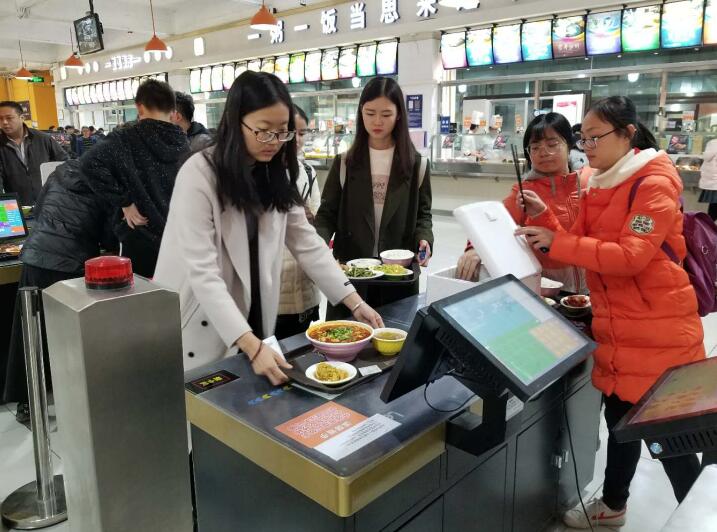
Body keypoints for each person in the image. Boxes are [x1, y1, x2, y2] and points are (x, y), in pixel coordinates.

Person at [516, 96, 705, 529]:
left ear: (627, 134)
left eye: (594, 137)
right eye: (584, 138)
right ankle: (614, 505)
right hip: (619, 328)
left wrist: (559, 242)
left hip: (658, 330)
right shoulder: (596, 180)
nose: (587, 146)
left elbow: (630, 257)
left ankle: (698, 519)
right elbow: (582, 244)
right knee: (620, 423)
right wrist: (550, 223)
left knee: (668, 439)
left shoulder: (654, 183)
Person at [153, 71, 383, 384]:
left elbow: (307, 243)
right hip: (202, 317)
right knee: (206, 413)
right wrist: (250, 344)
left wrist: (354, 302)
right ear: (236, 123)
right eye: (263, 132)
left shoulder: (278, 173)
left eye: (283, 133)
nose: (274, 143)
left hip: (256, 313)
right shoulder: (200, 174)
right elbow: (203, 272)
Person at [3, 160, 116, 422]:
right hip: (72, 264)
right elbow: (110, 234)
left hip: (35, 257)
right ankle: (74, 396)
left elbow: (41, 210)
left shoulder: (60, 172)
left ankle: (26, 401)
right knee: (70, 334)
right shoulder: (109, 182)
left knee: (29, 333)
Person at [314, 77, 433, 316]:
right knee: (346, 340)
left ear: (399, 115)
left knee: (393, 339)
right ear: (360, 113)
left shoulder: (416, 164)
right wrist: (318, 246)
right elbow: (327, 214)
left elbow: (423, 214)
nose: (377, 121)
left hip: (397, 275)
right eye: (370, 113)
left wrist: (425, 239)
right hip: (350, 274)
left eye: (386, 114)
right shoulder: (345, 162)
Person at [456, 113, 587, 294]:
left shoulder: (587, 183)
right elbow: (492, 222)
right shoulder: (524, 192)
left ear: (569, 144)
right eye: (535, 147)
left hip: (592, 287)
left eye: (552, 144)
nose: (543, 152)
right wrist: (474, 249)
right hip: (545, 288)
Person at [81, 80, 189, 277]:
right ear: (173, 110)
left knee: (140, 301)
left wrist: (125, 201)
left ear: (139, 107)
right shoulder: (183, 142)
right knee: (175, 300)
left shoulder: (125, 138)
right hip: (178, 237)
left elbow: (88, 164)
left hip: (140, 234)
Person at [275, 105, 322, 340]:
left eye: (302, 134)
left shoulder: (307, 171)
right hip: (275, 290)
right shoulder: (258, 173)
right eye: (290, 132)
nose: (296, 140)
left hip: (304, 280)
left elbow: (316, 225)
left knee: (301, 348)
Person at [0, 101, 67, 205]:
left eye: (9, 118)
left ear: (22, 118)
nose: (4, 122)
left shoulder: (43, 139)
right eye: (0, 119)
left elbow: (64, 163)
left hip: (49, 203)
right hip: (16, 207)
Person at [698, 138, 717, 221]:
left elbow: (707, 157)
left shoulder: (713, 143)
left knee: (714, 204)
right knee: (714, 204)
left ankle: (710, 226)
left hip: (714, 179)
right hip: (714, 179)